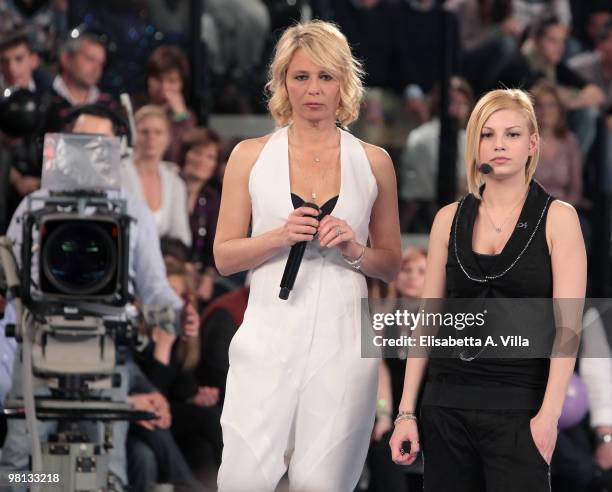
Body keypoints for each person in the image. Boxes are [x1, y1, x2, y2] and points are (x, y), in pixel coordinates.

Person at [214, 20, 401, 491]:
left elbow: (392, 262)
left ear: (344, 83)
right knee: (242, 477)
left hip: (343, 338)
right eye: (301, 77)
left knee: (322, 484)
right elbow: (224, 256)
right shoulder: (249, 156)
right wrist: (278, 237)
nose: (313, 89)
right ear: (282, 84)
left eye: (325, 76)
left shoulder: (374, 161)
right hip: (269, 333)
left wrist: (356, 249)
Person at [389, 88, 586, 491]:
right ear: (474, 143)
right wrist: (406, 412)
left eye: (512, 135)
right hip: (446, 406)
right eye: (487, 134)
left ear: (533, 144)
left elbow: (568, 328)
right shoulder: (448, 218)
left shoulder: (559, 219)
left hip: (520, 409)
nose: (499, 145)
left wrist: (548, 417)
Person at [0, 107, 195, 492]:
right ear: (64, 144)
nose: (89, 153)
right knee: (19, 468)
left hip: (105, 354)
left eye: (100, 145)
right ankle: (48, 480)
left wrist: (177, 315)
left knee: (107, 471)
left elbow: (155, 287)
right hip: (38, 353)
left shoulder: (131, 212)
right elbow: (12, 288)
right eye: (80, 141)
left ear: (116, 150)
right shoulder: (34, 207)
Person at [121, 105, 192, 247]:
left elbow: (180, 236)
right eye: (144, 132)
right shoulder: (118, 174)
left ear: (168, 138)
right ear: (134, 135)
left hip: (166, 259)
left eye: (158, 132)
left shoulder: (175, 182)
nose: (151, 138)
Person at [180, 128, 222, 305]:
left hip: (197, 278)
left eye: (210, 156)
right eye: (197, 152)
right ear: (185, 155)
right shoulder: (169, 185)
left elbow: (216, 243)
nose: (202, 161)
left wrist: (209, 276)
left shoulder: (212, 198)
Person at [141, 45, 197, 164]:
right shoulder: (134, 110)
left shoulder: (188, 117)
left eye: (171, 81)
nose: (164, 87)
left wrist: (181, 118)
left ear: (181, 84)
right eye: (158, 79)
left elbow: (182, 159)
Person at [532, 82, 583, 205]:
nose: (545, 110)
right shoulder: (524, 141)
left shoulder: (569, 141)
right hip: (530, 210)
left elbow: (576, 190)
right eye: (540, 105)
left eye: (551, 105)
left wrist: (562, 212)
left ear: (559, 110)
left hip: (563, 208)